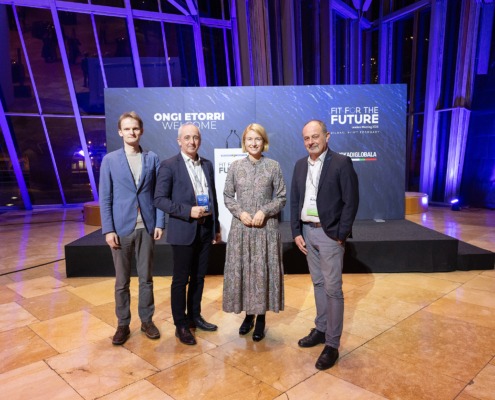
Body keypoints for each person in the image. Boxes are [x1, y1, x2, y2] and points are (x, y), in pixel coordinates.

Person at [290, 119, 359, 370]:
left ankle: (332, 344)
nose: (311, 142)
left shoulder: (341, 162)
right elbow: (295, 200)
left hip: (329, 235)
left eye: (315, 136)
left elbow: (351, 201)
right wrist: (296, 231)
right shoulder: (300, 165)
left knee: (333, 289)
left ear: (327, 136)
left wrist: (340, 234)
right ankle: (320, 329)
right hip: (307, 233)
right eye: (307, 138)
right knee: (318, 284)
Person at [99, 111, 165, 345]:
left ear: (141, 131)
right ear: (120, 132)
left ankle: (147, 321)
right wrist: (108, 229)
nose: (131, 132)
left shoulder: (152, 158)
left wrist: (159, 222)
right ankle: (123, 324)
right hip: (121, 228)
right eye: (127, 129)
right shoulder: (110, 160)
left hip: (146, 226)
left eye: (135, 128)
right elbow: (105, 197)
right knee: (122, 281)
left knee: (146, 278)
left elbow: (158, 195)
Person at [154, 122, 221, 345]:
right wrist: (187, 211)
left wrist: (216, 227)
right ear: (179, 141)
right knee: (180, 280)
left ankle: (195, 316)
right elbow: (159, 199)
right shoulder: (169, 166)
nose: (192, 142)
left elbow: (213, 197)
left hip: (205, 229)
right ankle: (180, 325)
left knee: (199, 277)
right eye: (187, 137)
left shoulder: (207, 165)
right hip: (183, 230)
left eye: (196, 137)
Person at [223, 123, 286, 342]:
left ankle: (261, 318)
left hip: (265, 229)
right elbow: (227, 196)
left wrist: (264, 211)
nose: (253, 143)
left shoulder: (273, 166)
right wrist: (240, 213)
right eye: (249, 139)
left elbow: (281, 197)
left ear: (264, 142)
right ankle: (248, 315)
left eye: (257, 139)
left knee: (261, 272)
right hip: (242, 229)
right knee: (245, 271)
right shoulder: (235, 167)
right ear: (244, 142)